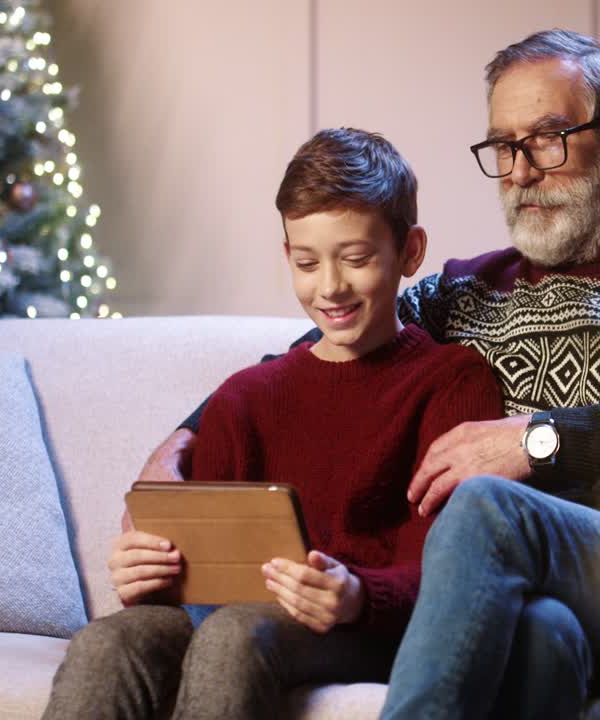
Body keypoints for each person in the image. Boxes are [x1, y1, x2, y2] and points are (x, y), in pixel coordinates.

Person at [146, 30, 600, 719]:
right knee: (541, 638)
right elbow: (317, 351)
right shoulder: (462, 292)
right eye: (503, 146)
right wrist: (182, 438)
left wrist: (540, 440)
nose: (520, 171)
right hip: (531, 597)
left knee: (486, 504)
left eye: (547, 138)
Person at [41, 129, 504, 720]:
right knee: (107, 641)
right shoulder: (244, 397)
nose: (330, 286)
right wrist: (149, 576)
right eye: (308, 263)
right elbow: (199, 576)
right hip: (235, 617)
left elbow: (454, 565)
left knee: (237, 634)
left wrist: (360, 595)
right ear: (288, 256)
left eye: (356, 259)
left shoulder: (452, 382)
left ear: (410, 252)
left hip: (365, 625)